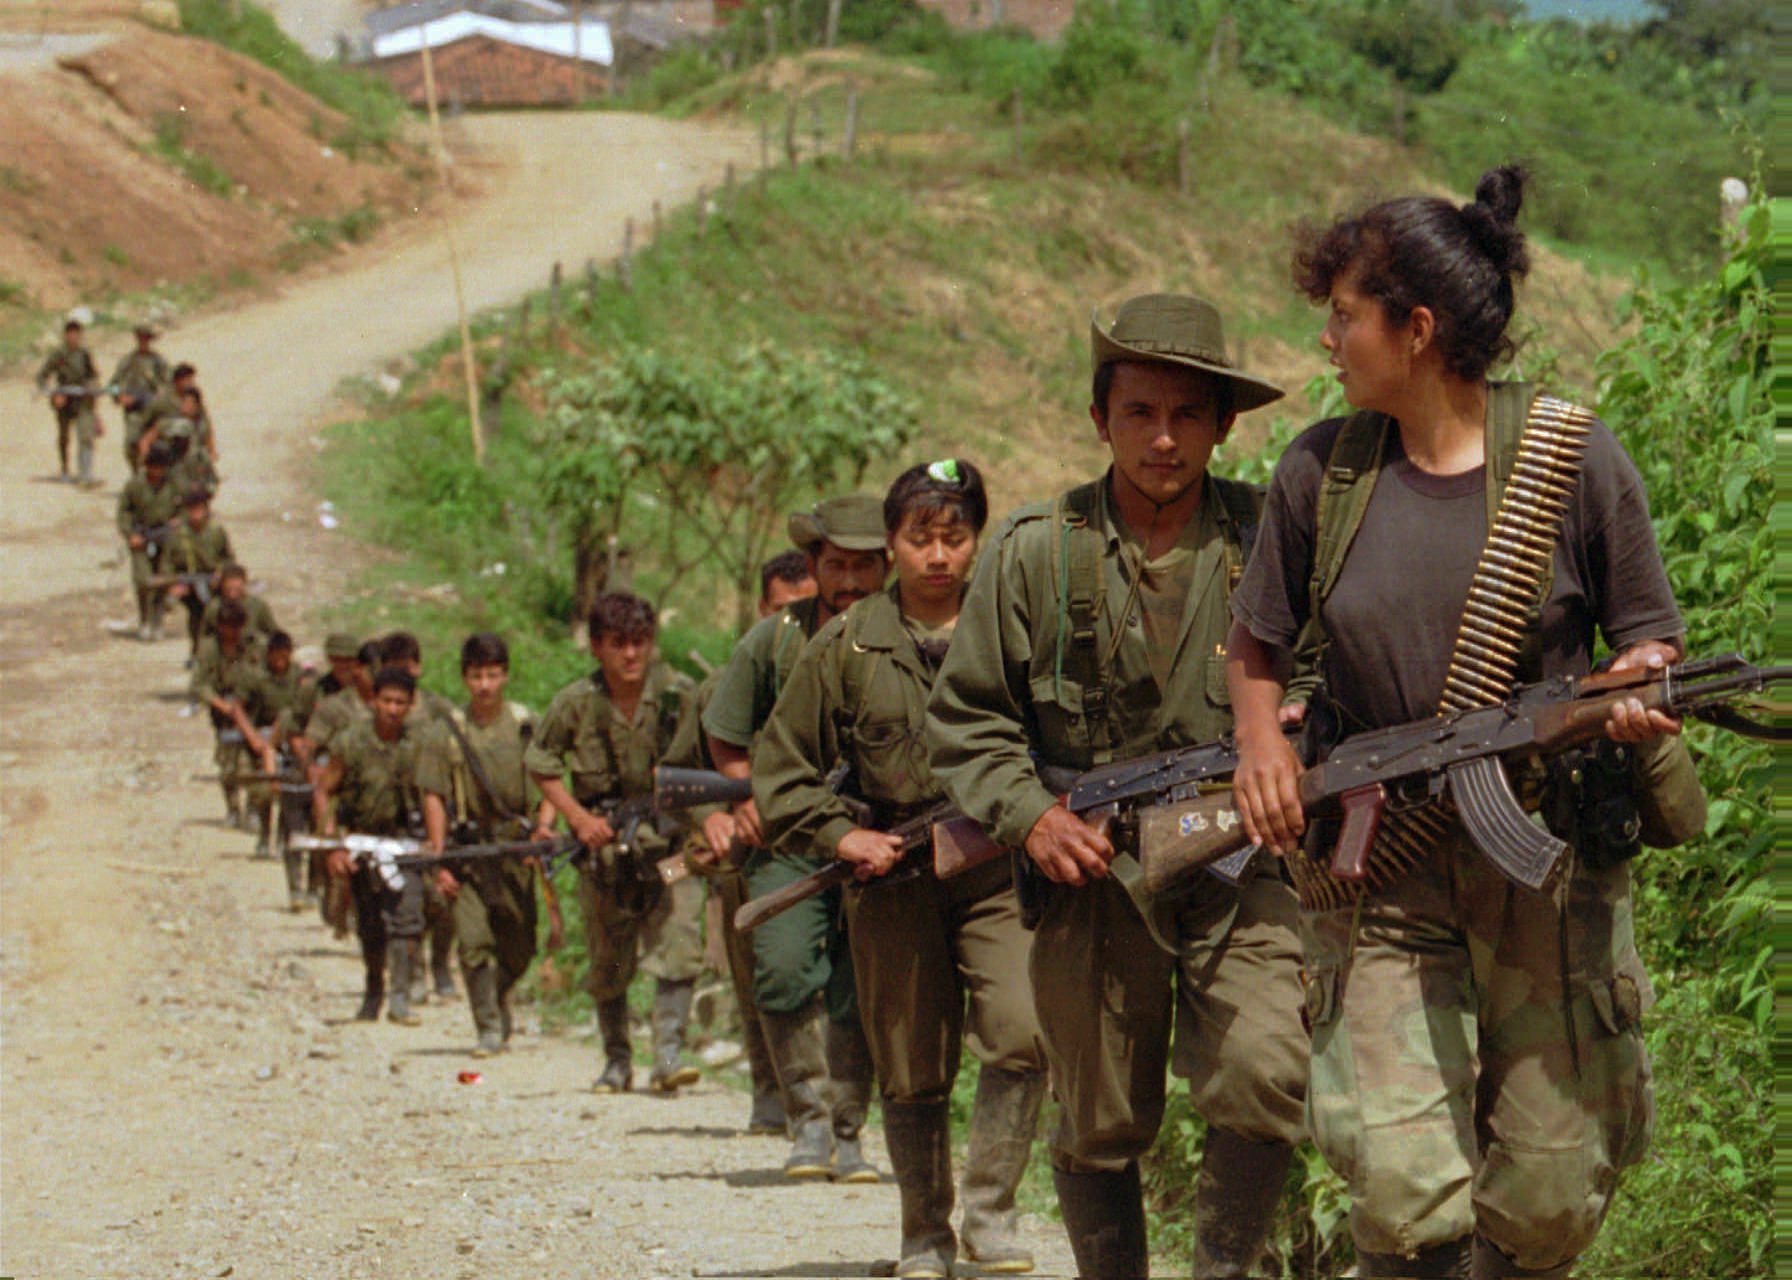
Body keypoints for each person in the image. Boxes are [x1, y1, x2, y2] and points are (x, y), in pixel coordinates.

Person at [1225, 165, 1702, 1280]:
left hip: (1543, 858)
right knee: (1401, 1188)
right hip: (1380, 862)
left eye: (1346, 314)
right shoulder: (1321, 469)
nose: (1328, 337)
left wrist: (1633, 688)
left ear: (1418, 329)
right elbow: (1256, 642)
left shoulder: (1572, 457)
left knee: (1548, 1192)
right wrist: (1260, 748)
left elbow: (1650, 637)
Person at [928, 294, 1309, 1279]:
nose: (1164, 438)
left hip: (1241, 859)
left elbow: (1327, 676)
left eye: (1187, 414)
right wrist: (1032, 818)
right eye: (1139, 412)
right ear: (1100, 419)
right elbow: (968, 720)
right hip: (1095, 872)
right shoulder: (1034, 549)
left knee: (1266, 1069)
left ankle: (1223, 1266)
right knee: (1098, 1116)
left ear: (1224, 425)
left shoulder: (1273, 541)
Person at [759, 460, 1048, 1278]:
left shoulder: (1014, 629)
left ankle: (990, 1215)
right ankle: (924, 1233)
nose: (939, 555)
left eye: (955, 537)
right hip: (894, 875)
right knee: (911, 1059)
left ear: (977, 541)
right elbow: (781, 769)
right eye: (921, 538)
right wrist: (840, 836)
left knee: (1023, 1029)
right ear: (892, 544)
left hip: (996, 868)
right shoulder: (846, 644)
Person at [703, 497, 890, 1181]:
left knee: (859, 987)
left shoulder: (909, 635)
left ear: (885, 565)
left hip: (881, 842)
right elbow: (725, 732)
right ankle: (807, 1121)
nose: (850, 580)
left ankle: (850, 1130)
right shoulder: (775, 640)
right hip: (792, 837)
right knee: (782, 970)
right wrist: (747, 794)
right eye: (836, 565)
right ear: (815, 565)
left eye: (864, 565)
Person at [664, 549, 816, 1132]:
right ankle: (771, 1095)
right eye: (781, 610)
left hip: (830, 844)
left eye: (806, 609)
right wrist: (711, 818)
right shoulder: (720, 689)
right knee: (756, 976)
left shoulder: (842, 670)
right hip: (752, 854)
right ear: (760, 610)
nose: (793, 623)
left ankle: (832, 1106)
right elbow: (679, 775)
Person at [526, 593, 701, 1094]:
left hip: (672, 852)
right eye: (618, 644)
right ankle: (617, 1060)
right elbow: (540, 763)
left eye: (640, 642)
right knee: (609, 956)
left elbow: (716, 754)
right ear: (597, 647)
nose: (630, 654)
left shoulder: (678, 696)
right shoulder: (577, 702)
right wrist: (578, 818)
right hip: (605, 855)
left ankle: (668, 1055)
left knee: (680, 939)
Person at [417, 633, 562, 1057]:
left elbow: (550, 782)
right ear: (465, 678)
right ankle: (488, 1027)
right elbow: (433, 795)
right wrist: (440, 856)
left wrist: (543, 828)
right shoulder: (447, 732)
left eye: (493, 675)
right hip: (470, 849)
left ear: (506, 676)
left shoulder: (526, 725)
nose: (485, 686)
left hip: (517, 848)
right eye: (477, 676)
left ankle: (498, 997)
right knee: (473, 941)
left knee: (521, 944)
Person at [314, 666, 427, 1024]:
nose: (393, 709)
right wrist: (333, 845)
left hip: (404, 843)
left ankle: (400, 997)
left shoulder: (418, 744)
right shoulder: (351, 742)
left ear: (410, 705)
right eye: (387, 701)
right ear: (374, 700)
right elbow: (324, 791)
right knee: (370, 924)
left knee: (406, 920)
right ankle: (373, 989)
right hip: (361, 842)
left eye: (400, 703)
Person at [240, 630, 312, 886]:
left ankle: (284, 837)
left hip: (292, 737)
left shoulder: (299, 678)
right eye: (276, 657)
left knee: (292, 793)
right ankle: (264, 832)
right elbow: (241, 709)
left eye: (285, 657)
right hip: (265, 733)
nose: (280, 663)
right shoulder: (257, 677)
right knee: (263, 791)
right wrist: (254, 739)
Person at [190, 599, 268, 831]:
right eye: (228, 627)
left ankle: (253, 809)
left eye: (237, 627)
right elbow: (199, 685)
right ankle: (233, 809)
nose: (233, 633)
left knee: (255, 760)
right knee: (228, 764)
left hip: (252, 708)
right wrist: (223, 706)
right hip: (223, 711)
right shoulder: (209, 649)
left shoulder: (254, 645)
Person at [115, 441, 183, 641]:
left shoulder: (173, 484)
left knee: (163, 578)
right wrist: (130, 534)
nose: (158, 472)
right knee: (143, 580)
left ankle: (157, 621)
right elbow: (123, 512)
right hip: (142, 537)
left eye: (162, 467)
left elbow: (186, 507)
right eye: (154, 467)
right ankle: (144, 620)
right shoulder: (135, 485)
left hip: (166, 538)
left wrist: (178, 521)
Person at [163, 489, 234, 656]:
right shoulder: (178, 534)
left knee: (215, 616)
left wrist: (221, 574)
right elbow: (167, 563)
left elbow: (228, 558)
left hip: (213, 583)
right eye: (192, 509)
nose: (196, 514)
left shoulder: (216, 532)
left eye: (200, 509)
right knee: (196, 618)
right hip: (188, 584)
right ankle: (197, 653)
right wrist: (173, 584)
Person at [35, 316, 103, 484]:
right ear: (65, 335)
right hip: (64, 401)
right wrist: (54, 394)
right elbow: (42, 376)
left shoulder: (85, 354)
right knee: (64, 437)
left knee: (86, 435)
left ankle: (85, 473)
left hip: (82, 400)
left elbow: (93, 376)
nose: (73, 337)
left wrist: (92, 390)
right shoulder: (58, 354)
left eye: (76, 333)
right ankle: (65, 469)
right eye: (70, 333)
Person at [111, 324, 170, 474]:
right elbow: (112, 385)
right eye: (141, 339)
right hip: (134, 411)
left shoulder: (158, 361)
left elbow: (169, 384)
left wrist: (160, 396)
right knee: (131, 444)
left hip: (154, 409)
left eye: (147, 339)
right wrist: (119, 396)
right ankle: (137, 474)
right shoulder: (128, 361)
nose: (144, 342)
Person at [199, 563, 278, 643]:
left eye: (237, 589)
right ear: (222, 585)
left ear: (244, 584)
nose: (232, 594)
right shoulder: (214, 607)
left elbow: (274, 633)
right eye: (229, 588)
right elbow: (203, 637)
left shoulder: (257, 605)